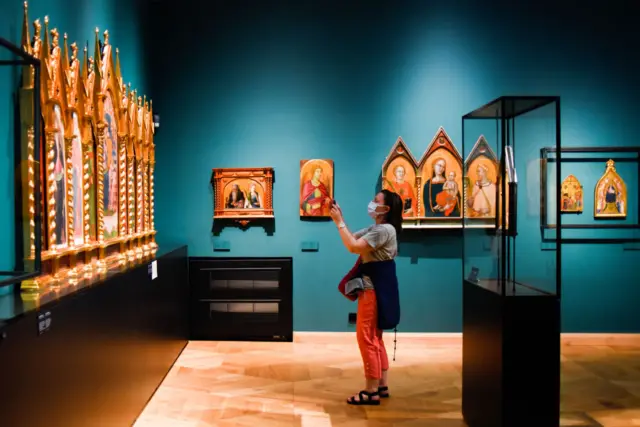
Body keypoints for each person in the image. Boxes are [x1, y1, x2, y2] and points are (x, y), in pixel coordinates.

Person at [330, 189, 402, 405]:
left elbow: (353, 247)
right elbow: (352, 238)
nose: (371, 203)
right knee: (375, 337)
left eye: (376, 201)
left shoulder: (383, 230)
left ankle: (371, 391)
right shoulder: (379, 228)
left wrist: (339, 221)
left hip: (373, 289)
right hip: (380, 287)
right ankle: (381, 385)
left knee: (366, 337)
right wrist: (339, 218)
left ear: (386, 208)